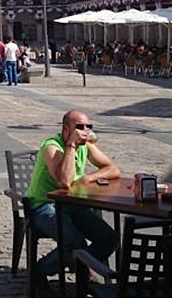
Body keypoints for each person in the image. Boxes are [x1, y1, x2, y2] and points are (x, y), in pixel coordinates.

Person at [25, 110, 120, 297]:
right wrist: (71, 146)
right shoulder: (52, 147)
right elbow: (65, 181)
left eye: (87, 127)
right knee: (75, 242)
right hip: (44, 205)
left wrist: (89, 178)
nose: (84, 131)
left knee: (110, 238)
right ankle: (40, 271)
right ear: (65, 129)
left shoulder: (86, 145)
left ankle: (81, 269)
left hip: (73, 204)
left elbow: (112, 168)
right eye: (79, 127)